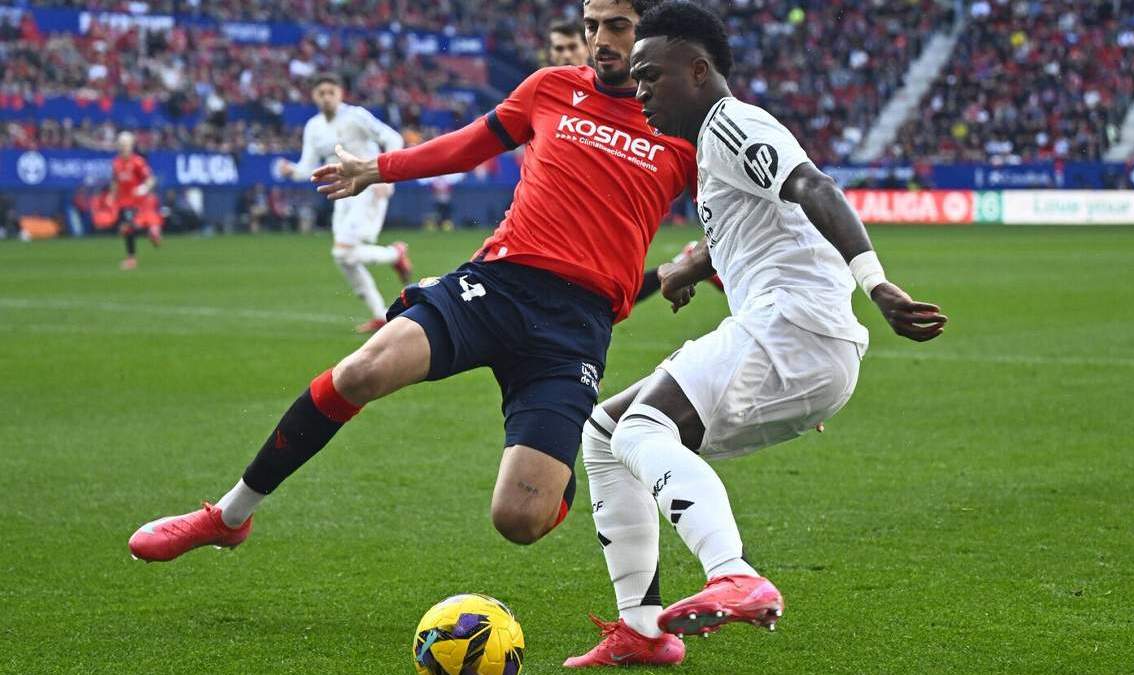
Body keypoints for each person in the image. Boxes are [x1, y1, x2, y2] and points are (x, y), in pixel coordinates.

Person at [128, 5, 695, 647]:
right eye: (591, 24)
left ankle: (562, 465)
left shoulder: (678, 125)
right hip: (498, 283)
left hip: (575, 326)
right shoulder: (548, 88)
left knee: (521, 518)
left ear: (652, 33)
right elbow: (468, 144)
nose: (599, 39)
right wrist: (379, 169)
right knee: (361, 370)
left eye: (617, 24)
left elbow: (734, 220)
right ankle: (227, 515)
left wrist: (722, 289)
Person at [564, 2, 948, 667]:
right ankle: (643, 628)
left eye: (651, 74)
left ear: (699, 69)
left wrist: (876, 281)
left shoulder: (733, 124)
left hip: (793, 330)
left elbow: (811, 185)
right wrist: (696, 264)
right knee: (604, 431)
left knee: (640, 430)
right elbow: (761, 225)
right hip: (792, 340)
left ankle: (734, 571)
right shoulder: (714, 145)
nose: (641, 89)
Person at [279, 73, 414, 334]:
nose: (326, 97)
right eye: (321, 93)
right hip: (343, 191)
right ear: (314, 97)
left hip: (369, 186)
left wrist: (387, 174)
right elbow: (308, 166)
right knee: (343, 257)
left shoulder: (356, 116)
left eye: (331, 91)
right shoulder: (313, 127)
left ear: (340, 93)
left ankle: (395, 254)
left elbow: (393, 138)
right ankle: (380, 315)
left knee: (343, 251)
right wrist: (291, 170)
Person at [111, 131, 157, 270]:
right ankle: (150, 231)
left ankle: (131, 259)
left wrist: (143, 188)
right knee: (124, 229)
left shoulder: (138, 162)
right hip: (122, 202)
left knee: (128, 227)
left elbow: (150, 179)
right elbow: (115, 181)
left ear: (131, 146)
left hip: (136, 202)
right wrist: (112, 195)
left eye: (126, 145)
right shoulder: (116, 163)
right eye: (121, 145)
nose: (123, 147)